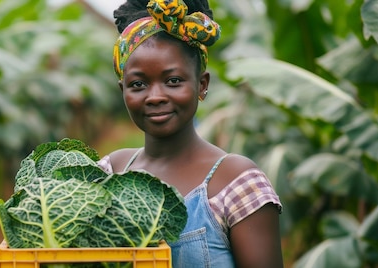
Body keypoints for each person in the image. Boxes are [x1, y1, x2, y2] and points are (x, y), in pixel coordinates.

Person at [97, 0, 284, 267]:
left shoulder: (236, 182)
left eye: (173, 81)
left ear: (202, 84)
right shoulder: (109, 172)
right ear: (123, 91)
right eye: (138, 84)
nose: (155, 96)